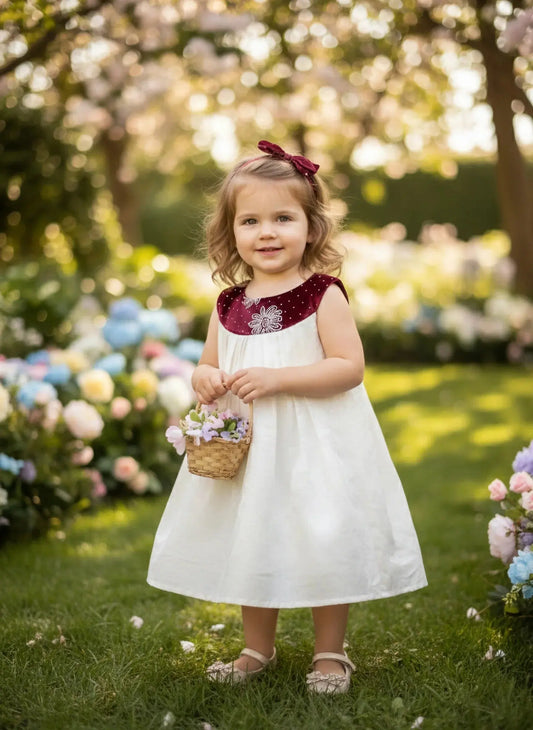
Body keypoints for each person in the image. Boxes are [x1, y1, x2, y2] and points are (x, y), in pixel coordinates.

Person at [147, 140, 427, 694]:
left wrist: (278, 379)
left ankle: (329, 653)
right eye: (250, 221)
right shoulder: (229, 304)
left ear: (311, 226)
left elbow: (349, 368)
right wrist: (204, 379)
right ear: (231, 233)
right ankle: (257, 647)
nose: (267, 232)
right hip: (253, 450)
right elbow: (209, 363)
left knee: (324, 534)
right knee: (254, 532)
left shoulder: (322, 295)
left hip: (316, 444)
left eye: (283, 217)